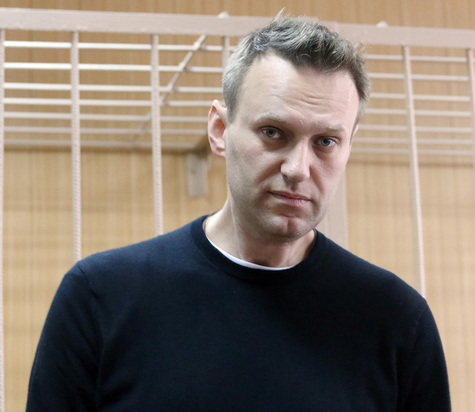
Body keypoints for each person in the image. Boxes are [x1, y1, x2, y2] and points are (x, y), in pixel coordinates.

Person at [27, 14, 451, 411]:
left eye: (326, 142)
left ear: (348, 146)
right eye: (273, 132)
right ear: (219, 131)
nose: (298, 168)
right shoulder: (101, 297)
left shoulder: (397, 320)